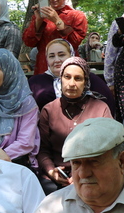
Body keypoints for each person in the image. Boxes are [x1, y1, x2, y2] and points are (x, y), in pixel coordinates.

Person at [37, 55, 113, 194]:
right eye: (67, 77)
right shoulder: (49, 110)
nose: (71, 83)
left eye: (78, 78)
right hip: (56, 177)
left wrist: (84, 173)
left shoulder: (100, 108)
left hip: (92, 174)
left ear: (86, 82)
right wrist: (51, 171)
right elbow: (42, 149)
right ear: (60, 79)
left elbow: (109, 148)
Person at [0, 48, 40, 165]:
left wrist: (1, 156)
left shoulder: (26, 103)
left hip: (15, 162)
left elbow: (25, 143)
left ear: (9, 70)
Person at [23, 0, 88, 75]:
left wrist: (57, 21)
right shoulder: (41, 16)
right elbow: (28, 42)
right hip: (44, 68)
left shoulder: (76, 16)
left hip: (68, 69)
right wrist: (38, 20)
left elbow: (74, 42)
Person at [28, 38, 114, 111]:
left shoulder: (88, 78)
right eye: (52, 56)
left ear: (71, 55)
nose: (57, 60)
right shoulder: (36, 82)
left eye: (61, 55)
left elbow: (107, 105)